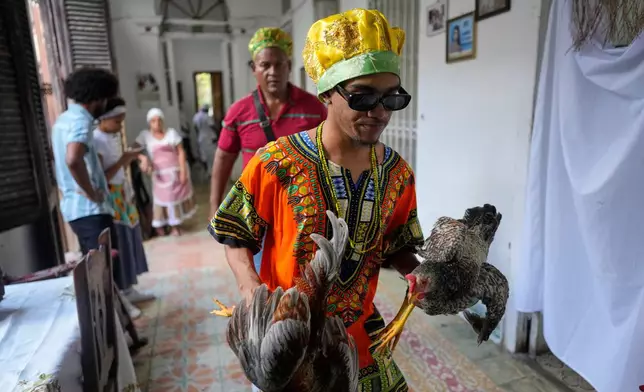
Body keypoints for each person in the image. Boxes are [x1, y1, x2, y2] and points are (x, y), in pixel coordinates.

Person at [209, 9, 424, 392]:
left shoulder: (397, 174)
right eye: (363, 97)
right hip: (289, 344)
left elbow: (397, 248)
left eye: (392, 98)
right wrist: (252, 291)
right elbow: (236, 236)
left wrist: (424, 276)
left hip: (360, 342)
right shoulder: (275, 163)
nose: (379, 112)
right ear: (327, 92)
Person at [209, 27, 328, 274]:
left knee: (306, 280)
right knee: (262, 279)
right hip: (256, 214)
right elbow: (223, 159)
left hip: (304, 214)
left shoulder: (315, 108)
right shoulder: (239, 112)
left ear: (289, 65)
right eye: (265, 65)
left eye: (279, 64)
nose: (272, 72)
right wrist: (215, 208)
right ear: (254, 68)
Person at [51, 67, 127, 286]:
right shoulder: (81, 121)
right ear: (98, 98)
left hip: (75, 209)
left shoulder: (63, 120)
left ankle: (115, 313)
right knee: (104, 270)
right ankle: (110, 317)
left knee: (97, 268)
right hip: (89, 210)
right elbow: (73, 159)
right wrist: (91, 193)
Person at [93, 97, 155, 318]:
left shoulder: (111, 136)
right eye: (117, 121)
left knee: (130, 238)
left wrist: (135, 156)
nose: (120, 126)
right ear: (104, 119)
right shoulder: (96, 140)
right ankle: (123, 291)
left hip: (122, 192)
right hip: (111, 196)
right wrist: (124, 159)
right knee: (119, 241)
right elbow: (103, 176)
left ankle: (130, 286)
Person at [135, 108, 196, 237]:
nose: (157, 124)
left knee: (174, 199)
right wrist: (143, 158)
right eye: (153, 121)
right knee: (162, 200)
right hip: (160, 175)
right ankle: (161, 225)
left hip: (175, 172)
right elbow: (133, 149)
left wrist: (183, 172)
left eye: (159, 120)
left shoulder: (171, 134)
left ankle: (175, 225)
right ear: (149, 123)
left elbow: (180, 152)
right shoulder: (145, 136)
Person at [192, 104, 217, 175]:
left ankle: (207, 170)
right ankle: (212, 171)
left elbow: (196, 128)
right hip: (209, 138)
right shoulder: (207, 117)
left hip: (201, 138)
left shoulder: (196, 116)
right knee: (212, 156)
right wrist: (218, 133)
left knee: (203, 155)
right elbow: (212, 126)